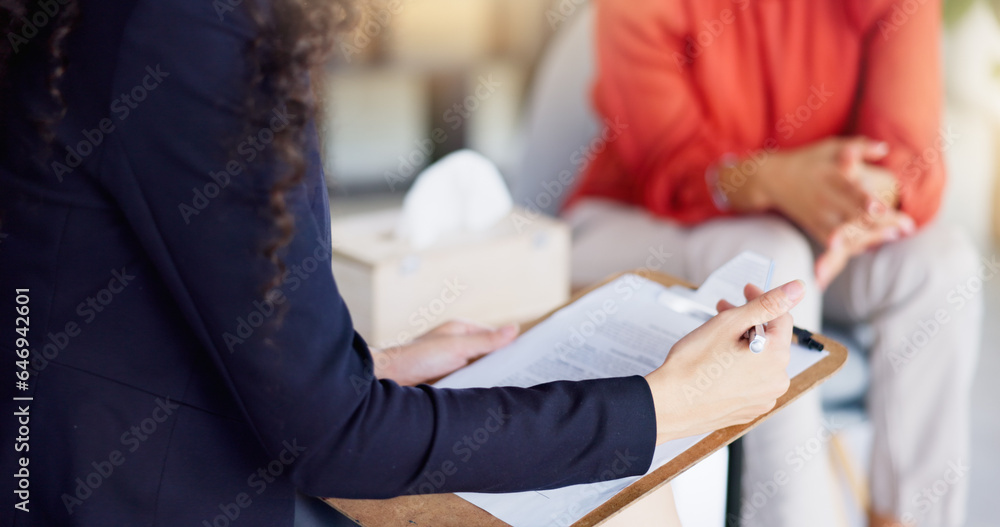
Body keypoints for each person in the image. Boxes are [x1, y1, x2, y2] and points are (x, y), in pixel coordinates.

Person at [0, 1, 804, 525]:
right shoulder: (195, 30)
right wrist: (667, 408)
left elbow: (130, 292)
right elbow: (335, 440)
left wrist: (359, 366)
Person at [565, 1, 983, 526]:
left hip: (816, 232)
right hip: (639, 220)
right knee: (772, 258)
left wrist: (864, 197)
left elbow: (910, 160)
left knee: (942, 263)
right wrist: (770, 179)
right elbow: (666, 164)